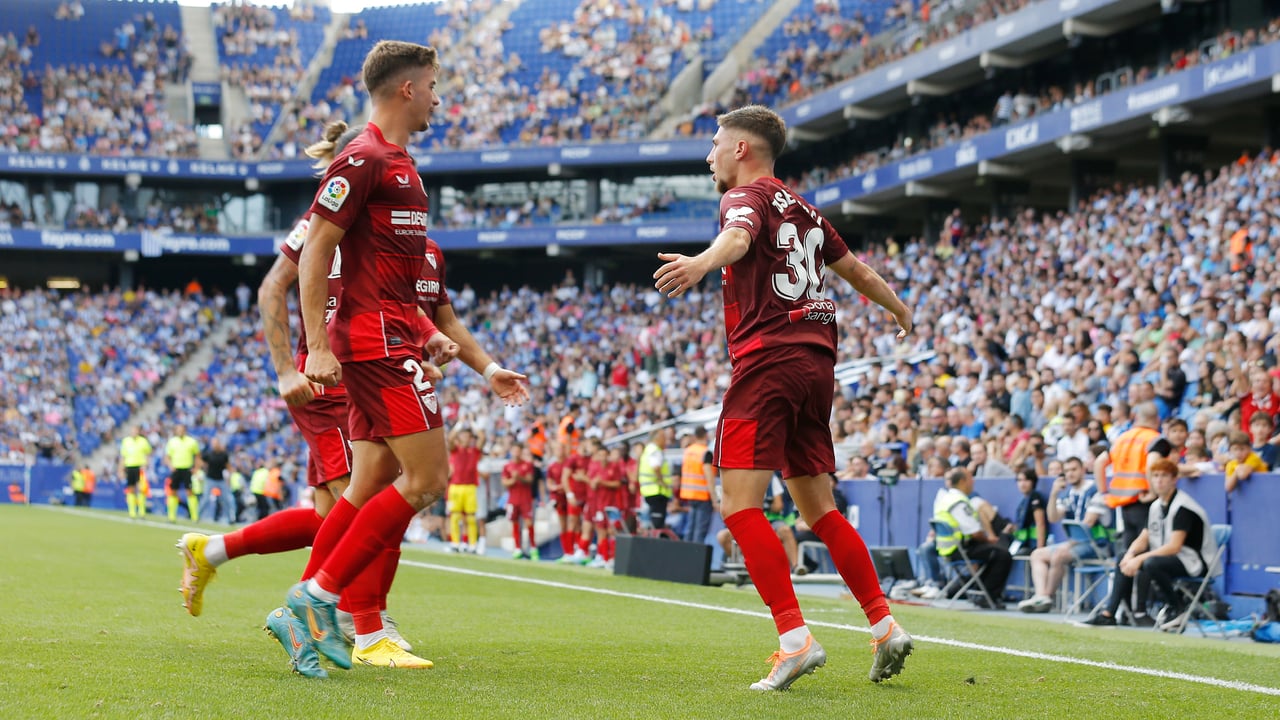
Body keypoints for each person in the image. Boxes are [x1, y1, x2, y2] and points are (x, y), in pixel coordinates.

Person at [284, 40, 527, 675]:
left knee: (368, 481)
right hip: (377, 344)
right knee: (426, 480)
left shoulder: (400, 164)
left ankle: (306, 607)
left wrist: (456, 348)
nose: (438, 101)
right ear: (407, 89)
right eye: (434, 87)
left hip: (392, 334)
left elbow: (399, 286)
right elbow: (315, 252)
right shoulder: (363, 158)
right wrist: (315, 346)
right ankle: (319, 599)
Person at [653, 105, 913, 688]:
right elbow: (858, 272)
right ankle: (884, 625)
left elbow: (738, 236)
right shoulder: (806, 209)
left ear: (741, 149)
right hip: (816, 363)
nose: (709, 156)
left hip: (768, 360)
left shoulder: (743, 197)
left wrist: (700, 263)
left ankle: (795, 641)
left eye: (715, 144)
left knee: (739, 506)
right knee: (820, 509)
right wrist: (899, 309)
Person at [1083, 458, 1218, 628]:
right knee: (1123, 557)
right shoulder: (1156, 505)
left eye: (1164, 476)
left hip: (1195, 562)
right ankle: (1109, 614)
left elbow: (1174, 546)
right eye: (1155, 476)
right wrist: (1131, 555)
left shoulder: (1183, 506)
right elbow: (1144, 537)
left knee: (1151, 563)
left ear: (1174, 479)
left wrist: (1139, 559)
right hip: (1173, 558)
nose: (1159, 480)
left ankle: (1177, 608)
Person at [1018, 456, 1112, 612]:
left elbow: (1088, 522)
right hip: (1075, 544)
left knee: (1059, 555)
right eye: (1067, 471)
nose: (1070, 474)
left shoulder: (1096, 491)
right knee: (1037, 554)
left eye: (1074, 469)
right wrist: (1054, 494)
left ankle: (1046, 597)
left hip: (1097, 545)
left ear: (1083, 470)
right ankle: (1040, 595)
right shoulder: (1068, 494)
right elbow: (1053, 517)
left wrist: (1071, 543)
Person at [1093, 402, 1165, 571]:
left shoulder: (1121, 438)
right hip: (1145, 501)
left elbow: (1099, 463)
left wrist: (1103, 492)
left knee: (1128, 552)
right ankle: (1142, 589)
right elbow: (1152, 464)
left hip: (1124, 504)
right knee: (1144, 555)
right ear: (1157, 419)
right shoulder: (1155, 439)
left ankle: (1125, 588)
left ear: (1136, 418)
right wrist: (1153, 492)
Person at [934, 467, 1013, 608]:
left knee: (991, 553)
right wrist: (989, 540)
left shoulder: (945, 499)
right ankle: (988, 597)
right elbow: (975, 532)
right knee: (1003, 555)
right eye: (971, 479)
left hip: (946, 549)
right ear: (962, 481)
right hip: (960, 549)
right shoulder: (959, 502)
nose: (973, 482)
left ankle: (980, 592)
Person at [447, 427, 484, 553]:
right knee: (455, 516)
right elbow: (449, 439)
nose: (466, 438)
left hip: (470, 487)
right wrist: (460, 424)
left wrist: (473, 423)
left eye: (468, 436)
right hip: (455, 486)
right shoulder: (455, 450)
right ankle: (455, 543)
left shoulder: (475, 451)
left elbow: (482, 437)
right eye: (463, 435)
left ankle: (472, 544)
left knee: (471, 518)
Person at [677, 426, 714, 544]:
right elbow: (709, 477)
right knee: (699, 531)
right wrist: (715, 499)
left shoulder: (688, 451)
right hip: (703, 496)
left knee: (690, 528)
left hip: (690, 494)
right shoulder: (705, 452)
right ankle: (697, 554)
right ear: (706, 435)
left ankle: (686, 553)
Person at [503, 446, 537, 559]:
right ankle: (517, 548)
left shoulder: (527, 465)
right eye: (514, 450)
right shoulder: (507, 466)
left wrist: (519, 477)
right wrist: (513, 480)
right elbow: (504, 482)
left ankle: (533, 548)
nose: (516, 453)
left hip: (525, 499)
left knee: (529, 523)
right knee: (515, 523)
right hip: (513, 499)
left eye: (518, 451)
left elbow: (530, 480)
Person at [637, 427, 673, 531]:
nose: (665, 440)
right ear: (658, 438)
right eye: (664, 437)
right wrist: (662, 482)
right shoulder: (655, 450)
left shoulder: (648, 449)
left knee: (651, 521)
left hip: (649, 491)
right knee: (657, 523)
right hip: (657, 491)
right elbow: (656, 467)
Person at [1004, 468, 1047, 556]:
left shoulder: (1035, 497)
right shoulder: (1024, 500)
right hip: (1021, 543)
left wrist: (1039, 551)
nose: (1022, 484)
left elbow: (1040, 524)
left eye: (1026, 480)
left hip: (1032, 546)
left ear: (1033, 481)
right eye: (1019, 480)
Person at [165, 425, 201, 523]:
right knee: (173, 492)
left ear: (185, 431)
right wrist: (170, 465)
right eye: (178, 430)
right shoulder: (172, 442)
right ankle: (171, 517)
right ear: (176, 431)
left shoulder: (192, 442)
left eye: (182, 430)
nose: (180, 431)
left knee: (189, 492)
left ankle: (194, 517)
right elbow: (167, 456)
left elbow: (198, 456)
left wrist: (196, 468)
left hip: (187, 469)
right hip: (176, 470)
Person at [119, 425, 153, 518]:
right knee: (131, 489)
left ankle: (142, 512)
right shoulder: (126, 441)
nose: (134, 432)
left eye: (136, 430)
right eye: (133, 430)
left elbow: (148, 454)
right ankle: (132, 512)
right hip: (129, 467)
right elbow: (123, 456)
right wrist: (121, 469)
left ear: (138, 432)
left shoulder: (143, 441)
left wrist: (146, 464)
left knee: (141, 489)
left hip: (140, 467)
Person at [198, 437, 234, 524]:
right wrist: (201, 470)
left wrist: (230, 477)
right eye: (213, 443)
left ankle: (230, 519)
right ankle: (197, 516)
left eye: (216, 443)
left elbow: (228, 466)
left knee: (225, 499)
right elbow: (200, 461)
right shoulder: (209, 454)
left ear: (219, 444)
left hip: (220, 480)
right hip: (210, 479)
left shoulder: (224, 455)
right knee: (205, 499)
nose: (214, 445)